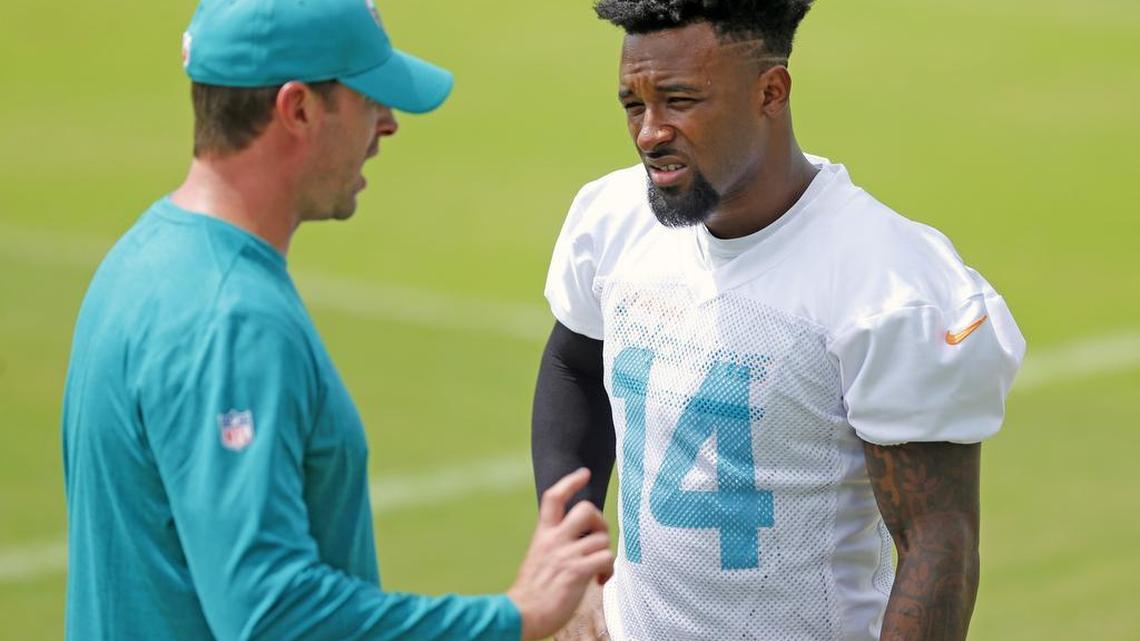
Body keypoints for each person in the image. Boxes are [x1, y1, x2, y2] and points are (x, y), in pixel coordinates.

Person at [61, 1, 613, 640]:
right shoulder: (230, 320)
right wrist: (511, 617)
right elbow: (273, 616)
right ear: (298, 108)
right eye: (369, 96)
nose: (388, 123)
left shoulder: (143, 260)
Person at [530, 1, 1026, 640]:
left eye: (679, 100)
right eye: (633, 104)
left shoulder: (888, 283)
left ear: (771, 91)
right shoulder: (612, 218)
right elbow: (573, 365)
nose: (650, 132)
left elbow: (938, 544)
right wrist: (571, 572)